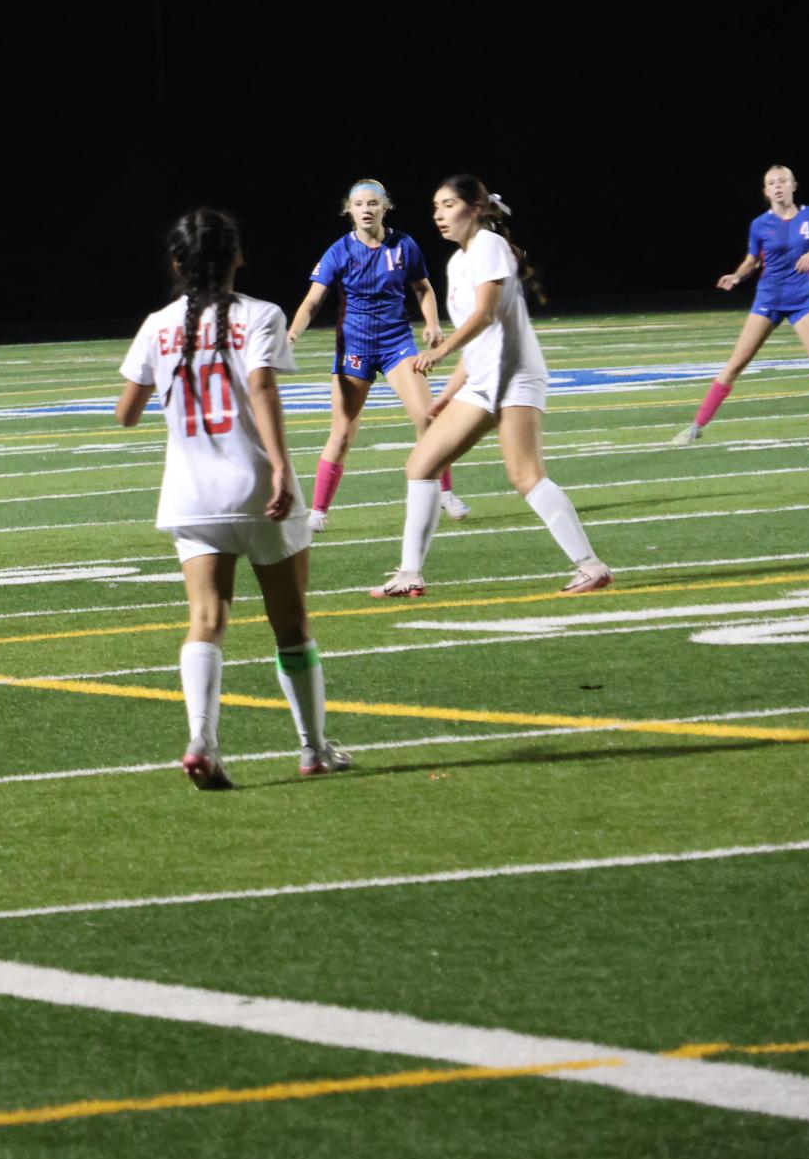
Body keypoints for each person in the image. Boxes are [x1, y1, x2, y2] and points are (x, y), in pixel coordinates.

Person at [116, 207, 347, 790]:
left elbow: (126, 413)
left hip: (192, 496)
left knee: (206, 621)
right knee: (290, 624)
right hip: (254, 486)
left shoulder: (157, 323)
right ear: (238, 258)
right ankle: (314, 748)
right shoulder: (262, 314)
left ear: (177, 265)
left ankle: (202, 739)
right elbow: (261, 384)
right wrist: (283, 471)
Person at [369, 177, 612, 599]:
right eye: (435, 207)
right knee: (421, 465)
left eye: (448, 205)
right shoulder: (456, 263)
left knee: (525, 475)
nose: (439, 215)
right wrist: (447, 394)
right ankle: (410, 575)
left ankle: (591, 567)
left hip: (515, 375)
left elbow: (484, 314)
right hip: (482, 381)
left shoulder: (489, 247)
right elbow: (480, 339)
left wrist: (440, 351)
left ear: (476, 207)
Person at [287, 178, 468, 532]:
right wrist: (292, 333)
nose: (366, 209)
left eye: (373, 203)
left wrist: (431, 323)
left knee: (429, 419)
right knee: (341, 433)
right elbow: (312, 301)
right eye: (359, 204)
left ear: (385, 207)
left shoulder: (404, 245)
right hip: (354, 349)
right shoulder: (339, 250)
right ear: (348, 210)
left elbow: (423, 288)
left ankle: (444, 493)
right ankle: (319, 512)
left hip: (396, 344)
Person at [672, 165, 809, 444]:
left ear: (794, 185)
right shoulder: (759, 225)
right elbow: (752, 261)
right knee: (736, 364)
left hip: (802, 299)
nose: (778, 186)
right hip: (768, 300)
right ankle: (696, 426)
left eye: (783, 181)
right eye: (772, 183)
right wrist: (737, 276)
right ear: (766, 191)